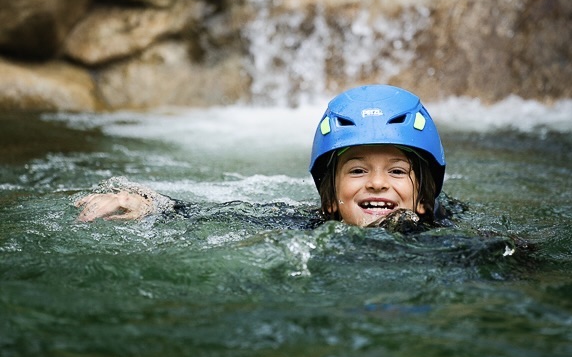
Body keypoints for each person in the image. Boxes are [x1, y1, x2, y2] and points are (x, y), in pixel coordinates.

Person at [75, 84, 447, 231]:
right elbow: (209, 215)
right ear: (331, 199)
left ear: (426, 200)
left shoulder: (447, 238)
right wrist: (141, 202)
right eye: (357, 170)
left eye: (397, 170)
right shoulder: (305, 227)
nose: (378, 182)